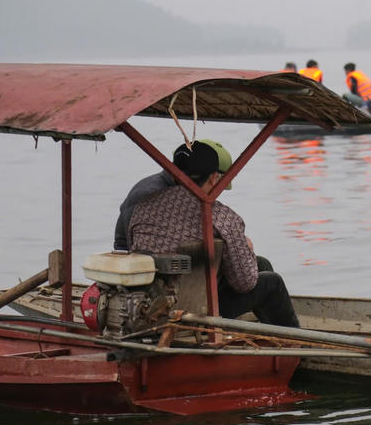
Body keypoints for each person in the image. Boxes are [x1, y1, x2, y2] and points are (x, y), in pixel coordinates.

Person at [127, 140, 300, 328]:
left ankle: (265, 330)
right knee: (272, 283)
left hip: (146, 301)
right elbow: (245, 283)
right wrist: (245, 250)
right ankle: (296, 344)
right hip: (196, 311)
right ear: (213, 178)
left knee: (261, 264)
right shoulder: (221, 217)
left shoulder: (142, 206)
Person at [113, 139, 234, 251]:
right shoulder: (149, 194)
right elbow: (135, 242)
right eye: (216, 187)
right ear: (212, 177)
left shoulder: (183, 192)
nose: (215, 195)